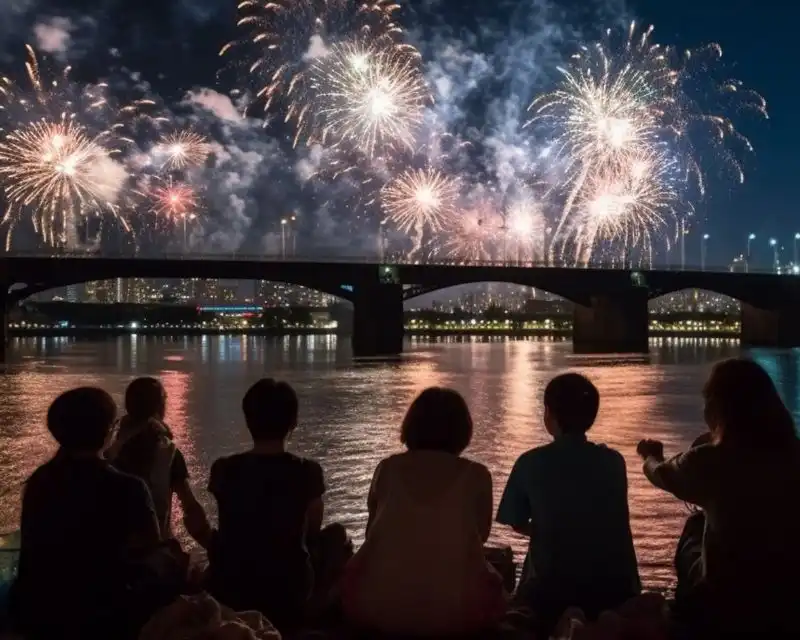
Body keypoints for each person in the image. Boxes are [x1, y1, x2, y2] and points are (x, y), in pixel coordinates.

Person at [637, 358, 800, 635]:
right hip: (789, 597)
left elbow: (662, 473)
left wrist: (650, 456)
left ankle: (686, 611)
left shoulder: (711, 459)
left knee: (695, 526)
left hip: (726, 601)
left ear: (716, 406)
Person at [342, 387, 506, 636]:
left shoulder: (387, 468)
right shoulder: (477, 475)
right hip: (456, 615)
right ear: (462, 431)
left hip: (380, 609)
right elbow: (479, 537)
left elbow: (371, 531)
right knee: (499, 571)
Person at [11, 387, 163, 639]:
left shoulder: (40, 481)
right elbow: (152, 550)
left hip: (39, 610)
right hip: (105, 614)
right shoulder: (128, 487)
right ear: (107, 430)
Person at [496, 373, 640, 636]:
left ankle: (567, 624)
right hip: (616, 589)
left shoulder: (531, 462)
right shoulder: (613, 462)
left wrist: (548, 528)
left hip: (548, 591)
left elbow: (516, 522)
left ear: (548, 413)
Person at [206, 378, 350, 632]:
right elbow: (313, 529)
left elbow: (228, 521)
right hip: (289, 587)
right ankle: (318, 612)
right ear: (293, 422)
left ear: (248, 419)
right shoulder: (307, 471)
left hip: (231, 583)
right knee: (338, 536)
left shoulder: (223, 469)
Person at [108, 376, 211, 547]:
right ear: (159, 406)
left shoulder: (109, 448)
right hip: (154, 550)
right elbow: (190, 507)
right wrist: (212, 545)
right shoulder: (167, 451)